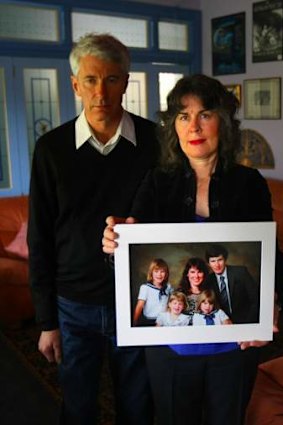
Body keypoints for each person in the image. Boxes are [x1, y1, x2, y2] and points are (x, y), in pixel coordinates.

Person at [102, 74, 278, 425]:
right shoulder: (156, 181)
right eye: (183, 116)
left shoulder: (250, 184)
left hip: (232, 350)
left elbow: (271, 258)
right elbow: (130, 252)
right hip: (171, 350)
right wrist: (114, 246)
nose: (193, 126)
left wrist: (272, 308)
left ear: (223, 124)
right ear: (174, 127)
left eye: (205, 114)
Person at [27, 32, 159, 425]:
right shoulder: (51, 149)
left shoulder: (156, 142)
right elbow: (40, 238)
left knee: (138, 407)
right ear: (74, 85)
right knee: (78, 407)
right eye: (90, 80)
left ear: (126, 82)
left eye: (112, 79)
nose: (101, 91)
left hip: (138, 301)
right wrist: (46, 321)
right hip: (73, 306)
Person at [204, 243, 259, 323]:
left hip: (245, 321)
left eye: (220, 260)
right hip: (222, 324)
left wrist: (248, 323)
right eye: (213, 261)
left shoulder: (241, 272)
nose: (217, 265)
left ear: (225, 260)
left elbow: (255, 299)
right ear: (209, 264)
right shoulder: (208, 280)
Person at [133, 258, 172, 326]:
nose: (159, 274)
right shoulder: (145, 288)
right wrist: (134, 322)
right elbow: (139, 306)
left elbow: (171, 302)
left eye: (162, 271)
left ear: (166, 274)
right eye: (156, 271)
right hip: (150, 320)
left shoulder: (168, 287)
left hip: (164, 320)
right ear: (151, 273)